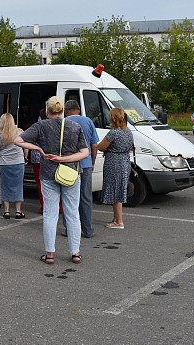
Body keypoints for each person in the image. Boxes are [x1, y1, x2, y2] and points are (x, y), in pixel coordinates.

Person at [15, 96, 88, 265]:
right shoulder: (74, 126)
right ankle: (75, 252)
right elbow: (84, 152)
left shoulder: (40, 126)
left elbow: (17, 140)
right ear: (62, 110)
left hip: (48, 173)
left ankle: (49, 254)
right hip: (70, 173)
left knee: (50, 214)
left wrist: (39, 149)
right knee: (72, 213)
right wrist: (65, 159)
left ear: (47, 111)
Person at [62, 100, 99, 238]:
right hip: (86, 163)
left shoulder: (63, 122)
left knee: (69, 198)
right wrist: (92, 161)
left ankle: (69, 229)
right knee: (86, 198)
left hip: (69, 165)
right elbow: (94, 145)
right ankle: (88, 230)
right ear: (78, 109)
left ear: (66, 110)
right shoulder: (88, 121)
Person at [98, 108, 134, 230]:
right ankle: (115, 218)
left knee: (116, 191)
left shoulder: (113, 132)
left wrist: (95, 145)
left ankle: (119, 221)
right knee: (119, 189)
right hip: (125, 161)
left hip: (114, 162)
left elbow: (101, 147)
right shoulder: (128, 131)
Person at [0, 113, 26, 219]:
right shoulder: (19, 132)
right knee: (18, 186)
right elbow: (25, 146)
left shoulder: (0, 134)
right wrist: (26, 157)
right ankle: (18, 211)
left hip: (5, 163)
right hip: (19, 162)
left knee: (5, 186)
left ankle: (7, 211)